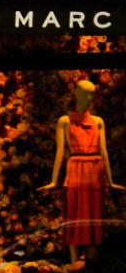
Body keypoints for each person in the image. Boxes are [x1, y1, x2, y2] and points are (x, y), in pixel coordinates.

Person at [38, 79, 124, 262]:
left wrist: (110, 180)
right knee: (75, 213)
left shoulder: (98, 122)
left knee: (94, 214)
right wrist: (55, 180)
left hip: (95, 170)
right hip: (76, 168)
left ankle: (91, 264)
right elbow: (60, 153)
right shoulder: (65, 121)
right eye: (86, 93)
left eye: (92, 93)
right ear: (76, 93)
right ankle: (74, 263)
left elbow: (104, 151)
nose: (90, 97)